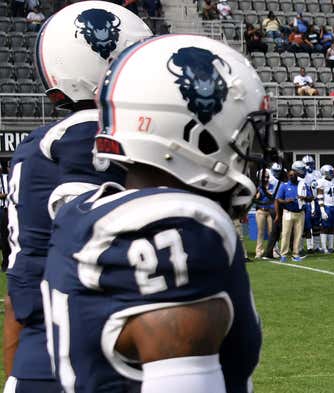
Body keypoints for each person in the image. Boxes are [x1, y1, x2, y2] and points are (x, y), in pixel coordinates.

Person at [42, 34, 272, 393]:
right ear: (195, 131)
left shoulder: (85, 212)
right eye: (244, 137)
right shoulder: (175, 230)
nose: (250, 151)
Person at [3, 3, 152, 392]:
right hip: (138, 356)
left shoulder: (35, 150)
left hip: (41, 357)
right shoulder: (148, 144)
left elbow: (23, 282)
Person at [278, 165, 310, 262]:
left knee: (298, 234)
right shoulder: (284, 186)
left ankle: (296, 254)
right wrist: (286, 201)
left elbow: (311, 197)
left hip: (300, 213)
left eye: (294, 175)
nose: (292, 177)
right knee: (286, 233)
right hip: (288, 212)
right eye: (291, 175)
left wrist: (304, 198)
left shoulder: (302, 185)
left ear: (297, 175)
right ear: (288, 176)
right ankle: (283, 254)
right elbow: (279, 199)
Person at [317, 165, 334, 253]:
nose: (331, 174)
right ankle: (324, 247)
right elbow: (319, 197)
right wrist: (322, 210)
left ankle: (330, 247)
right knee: (324, 227)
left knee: (332, 227)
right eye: (329, 172)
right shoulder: (321, 182)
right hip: (326, 206)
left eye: (332, 172)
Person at [254, 170, 277, 259]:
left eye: (267, 177)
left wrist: (266, 190)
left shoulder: (272, 186)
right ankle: (259, 251)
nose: (266, 179)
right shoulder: (258, 187)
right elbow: (256, 198)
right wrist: (258, 192)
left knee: (272, 232)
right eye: (264, 177)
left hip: (270, 210)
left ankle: (272, 250)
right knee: (260, 232)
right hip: (261, 211)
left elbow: (273, 196)